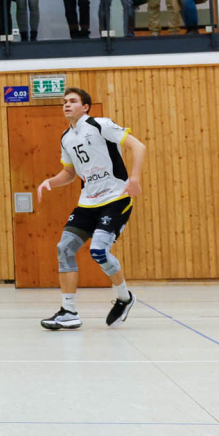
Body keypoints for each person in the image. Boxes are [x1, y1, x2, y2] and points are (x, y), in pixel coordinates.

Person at [37, 87, 146, 331]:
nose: (66, 105)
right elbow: (69, 173)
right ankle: (69, 312)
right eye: (64, 102)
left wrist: (134, 179)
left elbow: (138, 146)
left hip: (115, 198)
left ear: (85, 107)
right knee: (64, 248)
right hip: (87, 202)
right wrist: (50, 182)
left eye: (72, 101)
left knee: (98, 251)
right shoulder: (66, 137)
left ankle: (124, 297)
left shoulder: (100, 124)